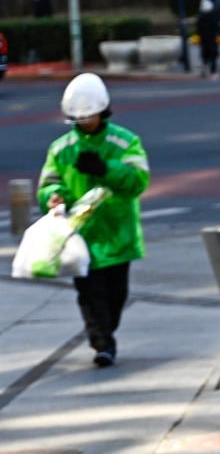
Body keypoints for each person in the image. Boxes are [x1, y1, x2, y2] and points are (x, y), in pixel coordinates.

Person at [37, 73, 150, 368]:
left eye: (89, 117)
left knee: (116, 295)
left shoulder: (125, 142)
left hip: (116, 234)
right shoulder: (61, 149)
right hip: (80, 237)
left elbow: (137, 181)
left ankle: (106, 332)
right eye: (78, 119)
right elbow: (48, 182)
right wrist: (53, 196)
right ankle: (102, 344)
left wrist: (105, 169)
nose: (85, 123)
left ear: (103, 111)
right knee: (89, 295)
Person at [196, 0, 220, 78]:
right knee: (208, 51)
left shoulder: (218, 1)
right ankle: (209, 69)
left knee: (210, 51)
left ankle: (210, 69)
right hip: (208, 32)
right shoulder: (206, 1)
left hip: (210, 32)